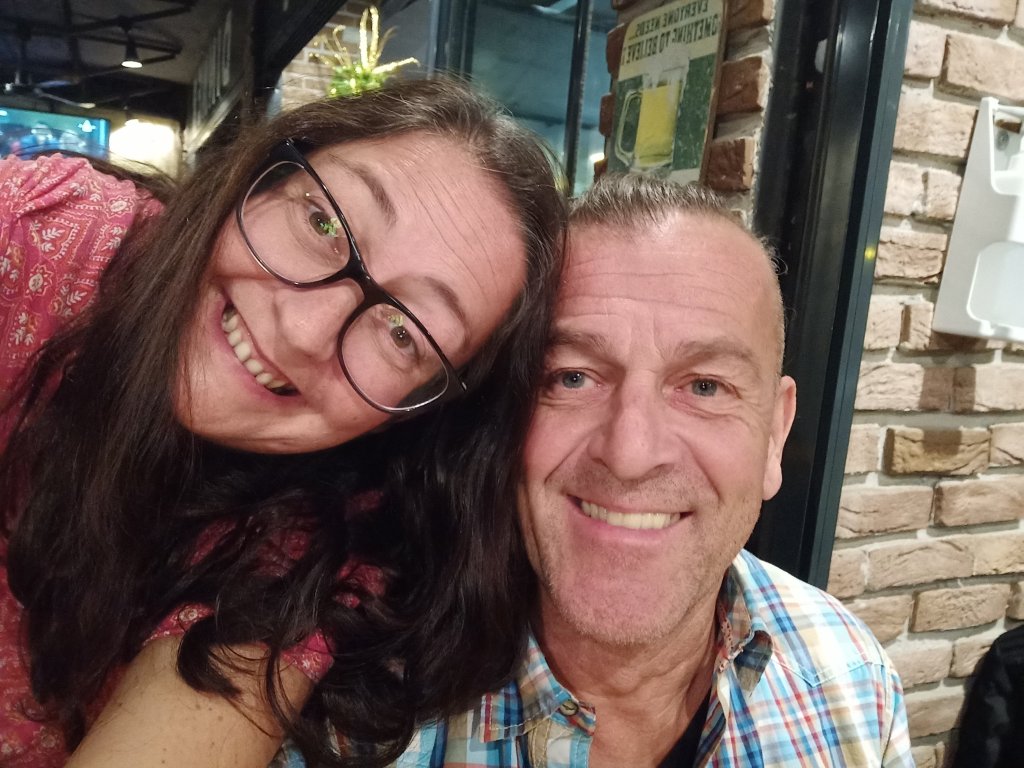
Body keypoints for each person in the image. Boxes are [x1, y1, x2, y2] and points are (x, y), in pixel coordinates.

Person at [0, 78, 565, 767]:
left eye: (404, 333)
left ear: (409, 416)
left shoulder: (309, 554)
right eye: (323, 225)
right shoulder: (44, 232)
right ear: (258, 177)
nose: (303, 330)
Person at [389, 174, 913, 767]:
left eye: (705, 387)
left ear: (774, 436)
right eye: (571, 378)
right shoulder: (362, 717)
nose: (630, 454)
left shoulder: (854, 683)